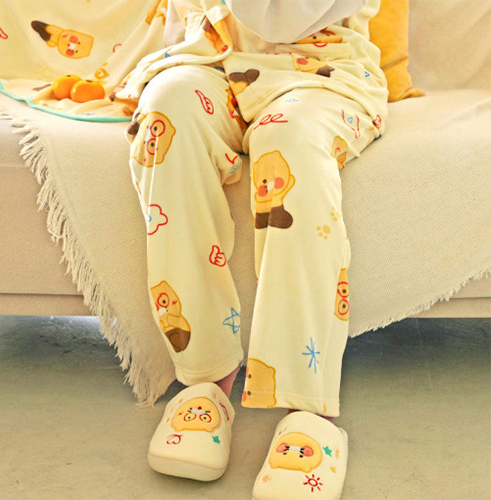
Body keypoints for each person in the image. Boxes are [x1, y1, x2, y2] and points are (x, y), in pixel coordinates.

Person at [125, 0, 388, 497]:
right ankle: (207, 378)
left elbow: (281, 17)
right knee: (168, 111)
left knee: (290, 140)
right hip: (210, 60)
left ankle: (307, 406)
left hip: (321, 71)